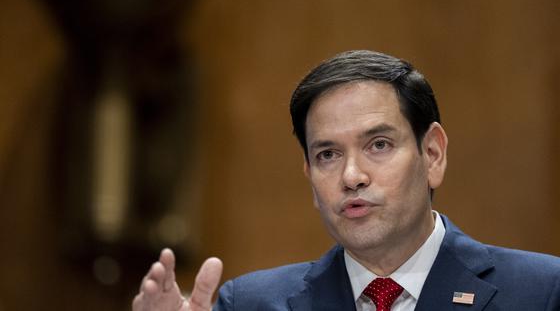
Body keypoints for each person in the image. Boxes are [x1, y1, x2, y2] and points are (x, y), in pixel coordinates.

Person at [133, 50, 560, 311]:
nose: (351, 177)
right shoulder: (249, 304)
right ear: (309, 175)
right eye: (328, 155)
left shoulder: (542, 292)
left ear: (432, 153)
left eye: (378, 145)